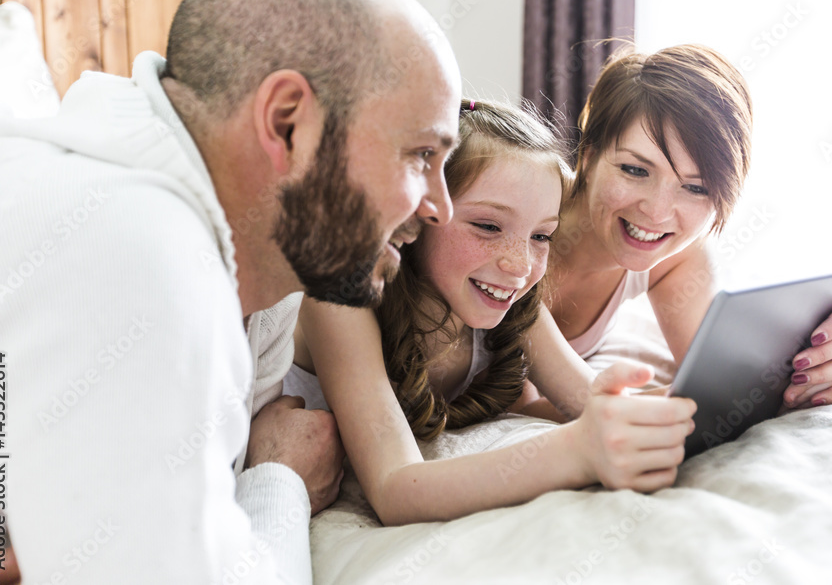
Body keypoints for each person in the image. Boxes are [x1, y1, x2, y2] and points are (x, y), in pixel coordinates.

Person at [0, 0, 460, 583]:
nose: (440, 208)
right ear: (288, 122)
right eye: (421, 155)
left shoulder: (263, 271)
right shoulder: (135, 248)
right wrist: (281, 482)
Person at [283, 99, 697, 526]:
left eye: (541, 236)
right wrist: (575, 454)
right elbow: (394, 489)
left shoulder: (515, 305)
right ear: (419, 214)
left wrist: (697, 405)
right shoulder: (341, 299)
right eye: (487, 226)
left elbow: (591, 399)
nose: (519, 266)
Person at [519, 45, 832, 418]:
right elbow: (527, 407)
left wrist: (805, 372)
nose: (657, 213)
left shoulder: (677, 256)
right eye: (635, 170)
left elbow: (716, 380)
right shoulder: (520, 230)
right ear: (588, 156)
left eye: (696, 188)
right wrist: (706, 399)